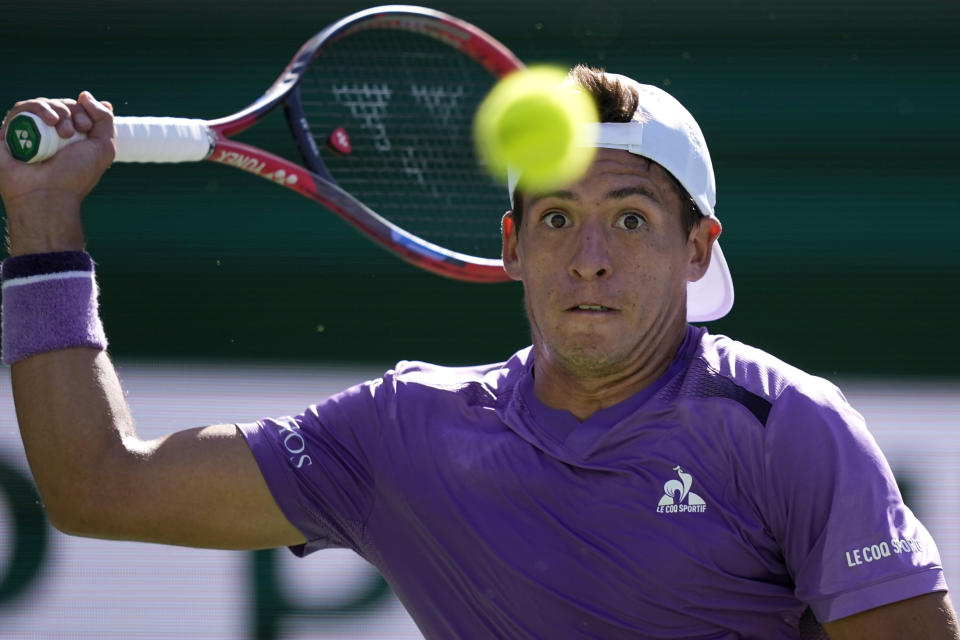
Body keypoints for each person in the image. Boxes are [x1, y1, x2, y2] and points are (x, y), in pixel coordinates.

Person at [0, 65, 957, 640]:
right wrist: (43, 218)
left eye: (630, 219)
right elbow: (95, 487)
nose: (590, 259)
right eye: (556, 218)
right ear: (511, 246)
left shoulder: (789, 428)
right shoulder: (396, 433)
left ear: (697, 247)